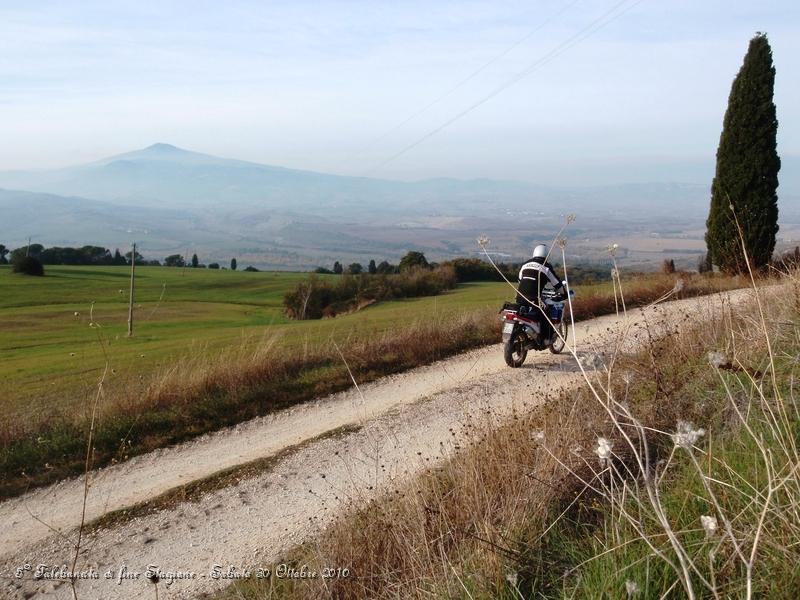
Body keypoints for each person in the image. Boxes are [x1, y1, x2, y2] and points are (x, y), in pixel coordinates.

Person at [516, 244, 566, 342]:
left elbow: (520, 280)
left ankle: (530, 333)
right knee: (547, 311)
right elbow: (557, 284)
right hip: (534, 298)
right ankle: (545, 338)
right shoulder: (546, 267)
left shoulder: (525, 264)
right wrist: (564, 294)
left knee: (525, 313)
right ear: (547, 255)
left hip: (520, 297)